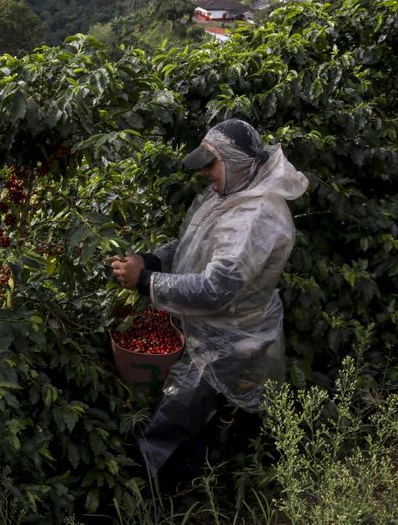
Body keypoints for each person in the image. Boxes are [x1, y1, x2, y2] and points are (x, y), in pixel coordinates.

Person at [106, 118, 308, 485]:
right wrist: (151, 260)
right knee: (197, 419)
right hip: (211, 330)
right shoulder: (232, 194)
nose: (205, 174)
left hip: (228, 341)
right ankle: (199, 476)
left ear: (239, 163)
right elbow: (193, 247)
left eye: (212, 164)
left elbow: (216, 288)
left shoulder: (256, 216)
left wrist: (146, 281)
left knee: (173, 423)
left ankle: (153, 496)